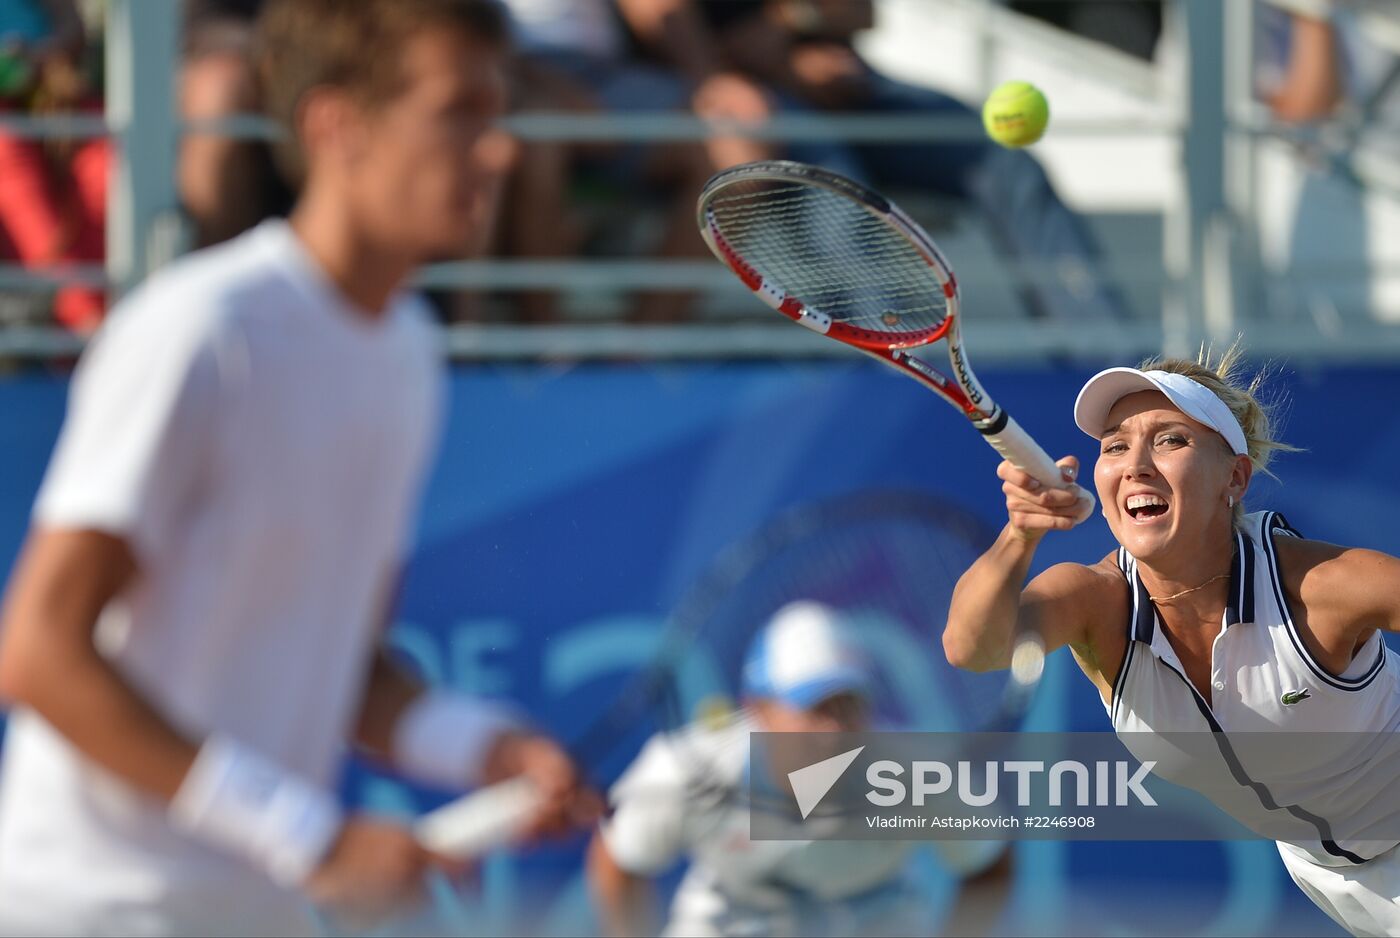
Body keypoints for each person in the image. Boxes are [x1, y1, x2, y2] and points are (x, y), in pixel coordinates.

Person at [0, 2, 592, 934]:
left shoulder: (407, 353)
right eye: (460, 111)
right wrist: (307, 836)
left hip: (254, 909)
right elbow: (40, 651)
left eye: (498, 111)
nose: (499, 152)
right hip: (86, 908)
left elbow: (345, 662)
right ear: (335, 125)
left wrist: (488, 749)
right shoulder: (203, 330)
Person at [944, 344, 1400, 936]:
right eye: (1114, 446)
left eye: (1170, 440)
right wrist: (1019, 535)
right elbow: (972, 648)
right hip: (1328, 876)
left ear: (1233, 478)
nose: (1135, 464)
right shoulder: (1095, 602)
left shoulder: (1329, 586)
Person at [588, 601, 1010, 937]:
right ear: (758, 710)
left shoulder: (919, 771)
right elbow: (618, 860)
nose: (837, 729)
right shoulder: (684, 768)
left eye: (850, 705)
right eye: (816, 707)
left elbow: (989, 864)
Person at [722, 0, 1131, 324]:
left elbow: (861, 12)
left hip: (858, 92)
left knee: (1008, 165)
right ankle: (887, 367)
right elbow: (689, 39)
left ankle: (1105, 370)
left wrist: (787, 24)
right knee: (843, 198)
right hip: (762, 103)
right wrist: (786, 62)